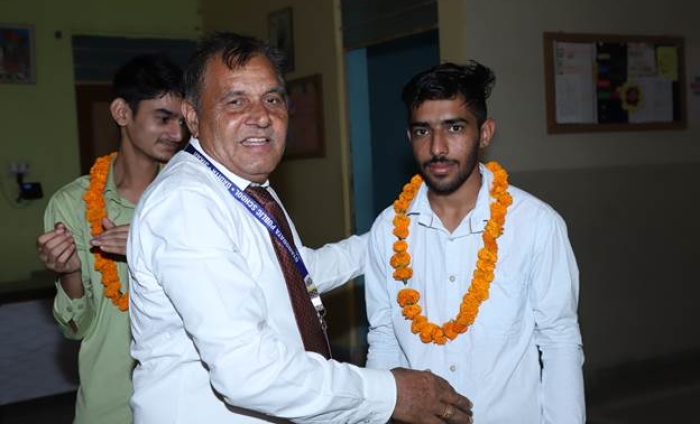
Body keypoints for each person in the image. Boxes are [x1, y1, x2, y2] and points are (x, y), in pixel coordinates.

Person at [127, 31, 474, 424]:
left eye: (272, 99)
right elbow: (249, 373)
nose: (261, 116)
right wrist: (392, 393)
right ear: (192, 116)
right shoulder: (187, 204)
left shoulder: (244, 186)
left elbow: (294, 273)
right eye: (235, 101)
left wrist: (392, 237)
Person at [365, 61, 585, 423]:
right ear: (409, 138)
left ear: (484, 134)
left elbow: (559, 340)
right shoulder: (387, 231)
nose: (437, 148)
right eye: (423, 131)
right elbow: (384, 338)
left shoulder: (535, 225)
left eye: (454, 128)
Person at [37, 53, 187, 424]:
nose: (177, 134)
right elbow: (76, 328)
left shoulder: (191, 197)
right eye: (163, 118)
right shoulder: (72, 205)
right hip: (109, 401)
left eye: (183, 121)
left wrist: (152, 246)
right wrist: (70, 272)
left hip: (185, 397)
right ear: (122, 113)